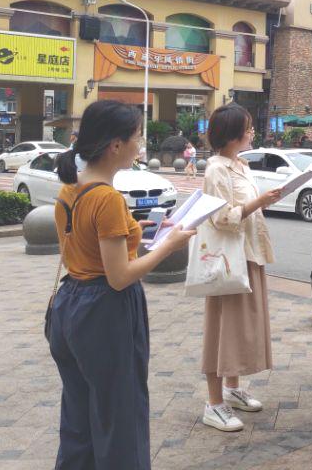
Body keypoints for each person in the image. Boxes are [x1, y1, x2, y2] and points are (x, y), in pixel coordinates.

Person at [48, 101, 195, 468]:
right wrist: (170, 246)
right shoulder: (108, 199)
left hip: (69, 306)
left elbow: (80, 248)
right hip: (105, 312)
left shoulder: (69, 190)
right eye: (137, 137)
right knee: (120, 416)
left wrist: (133, 231)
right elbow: (119, 277)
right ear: (115, 145)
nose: (140, 145)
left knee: (78, 416)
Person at [200, 104, 285, 432]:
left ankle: (232, 389)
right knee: (222, 329)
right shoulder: (216, 170)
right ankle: (213, 403)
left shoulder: (241, 165)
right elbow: (221, 218)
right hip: (228, 260)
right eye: (247, 128)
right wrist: (259, 202)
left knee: (239, 328)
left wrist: (261, 202)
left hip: (249, 254)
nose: (252, 133)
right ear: (232, 134)